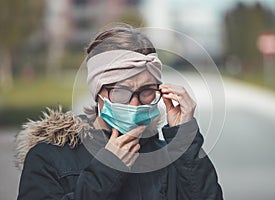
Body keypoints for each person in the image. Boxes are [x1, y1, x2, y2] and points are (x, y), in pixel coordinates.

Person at [16, 25, 223, 199]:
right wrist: (108, 169)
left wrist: (183, 137)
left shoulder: (168, 158)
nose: (134, 104)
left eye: (147, 91)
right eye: (121, 91)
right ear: (98, 93)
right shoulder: (49, 156)